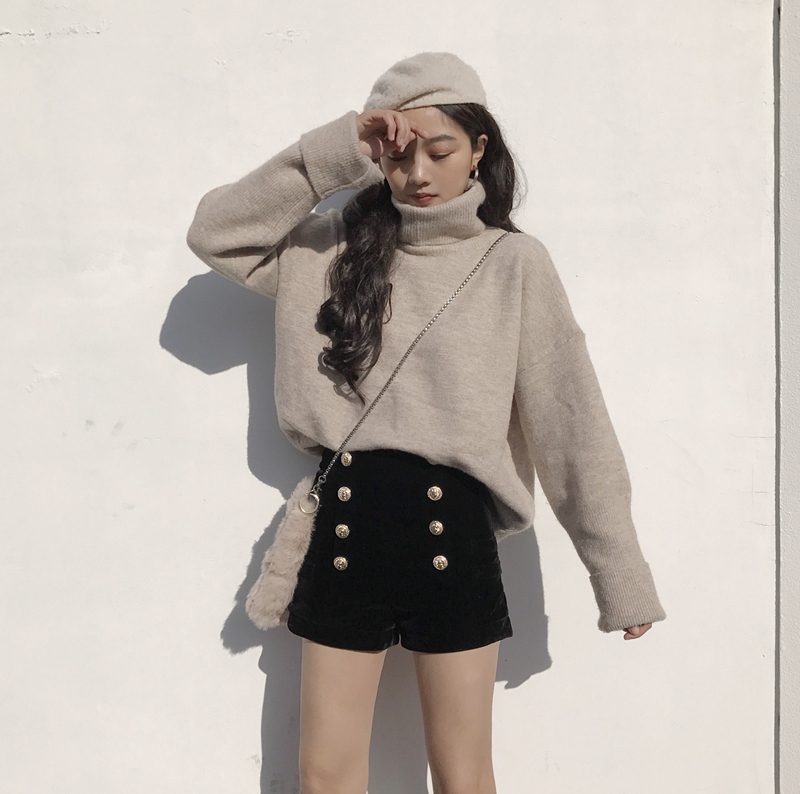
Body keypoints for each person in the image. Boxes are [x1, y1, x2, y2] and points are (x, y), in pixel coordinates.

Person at [186, 51, 666, 794]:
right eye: (398, 155)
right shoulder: (327, 250)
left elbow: (571, 421)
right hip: (346, 524)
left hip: (454, 530)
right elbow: (216, 234)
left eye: (439, 151)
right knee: (324, 777)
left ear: (479, 149)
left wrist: (619, 574)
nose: (416, 173)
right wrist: (337, 149)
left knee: (465, 778)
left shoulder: (514, 264)